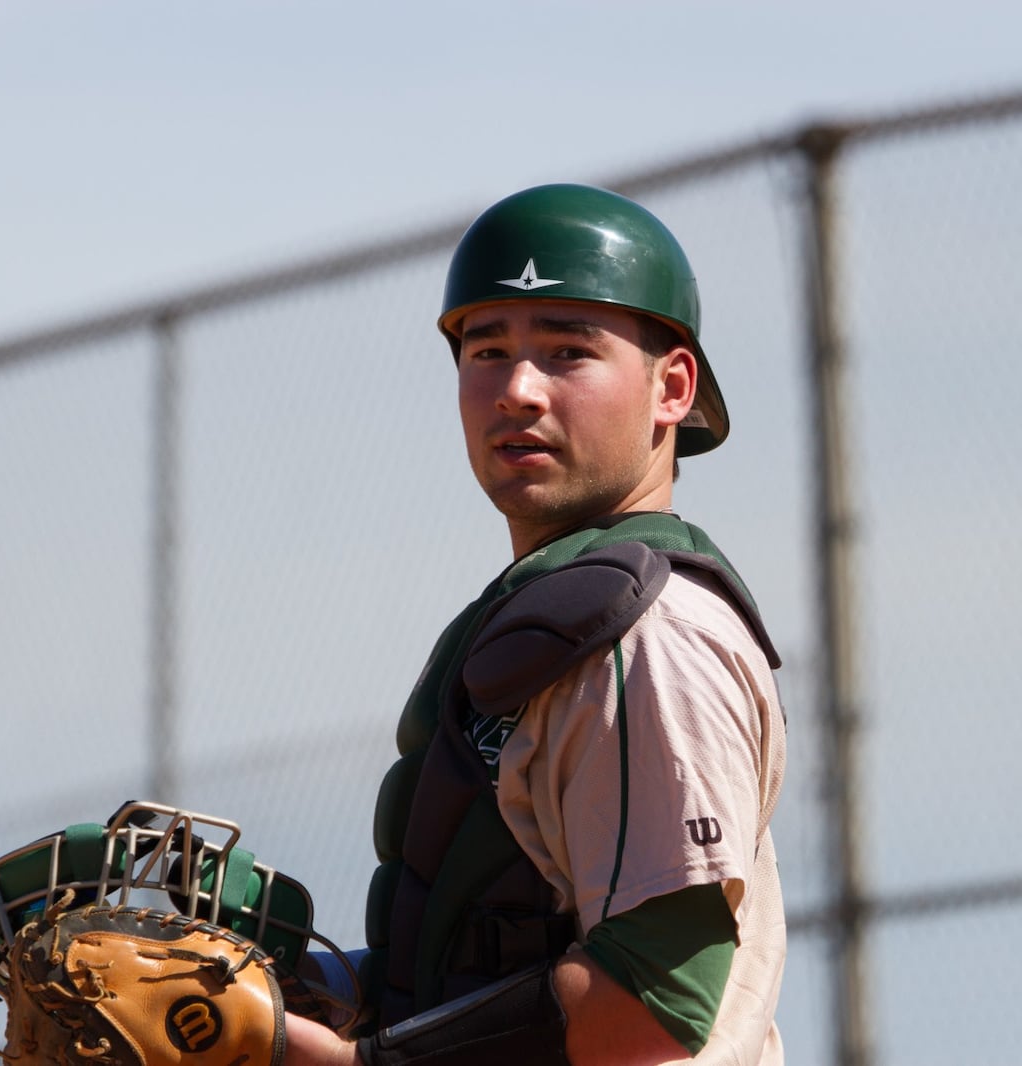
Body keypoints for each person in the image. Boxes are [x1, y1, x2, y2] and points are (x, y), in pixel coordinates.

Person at [284, 183, 788, 1066]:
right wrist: (291, 998)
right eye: (487, 349)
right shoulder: (548, 617)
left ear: (673, 387)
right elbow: (497, 950)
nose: (517, 389)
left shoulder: (648, 637)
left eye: (567, 351)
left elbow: (656, 1004)